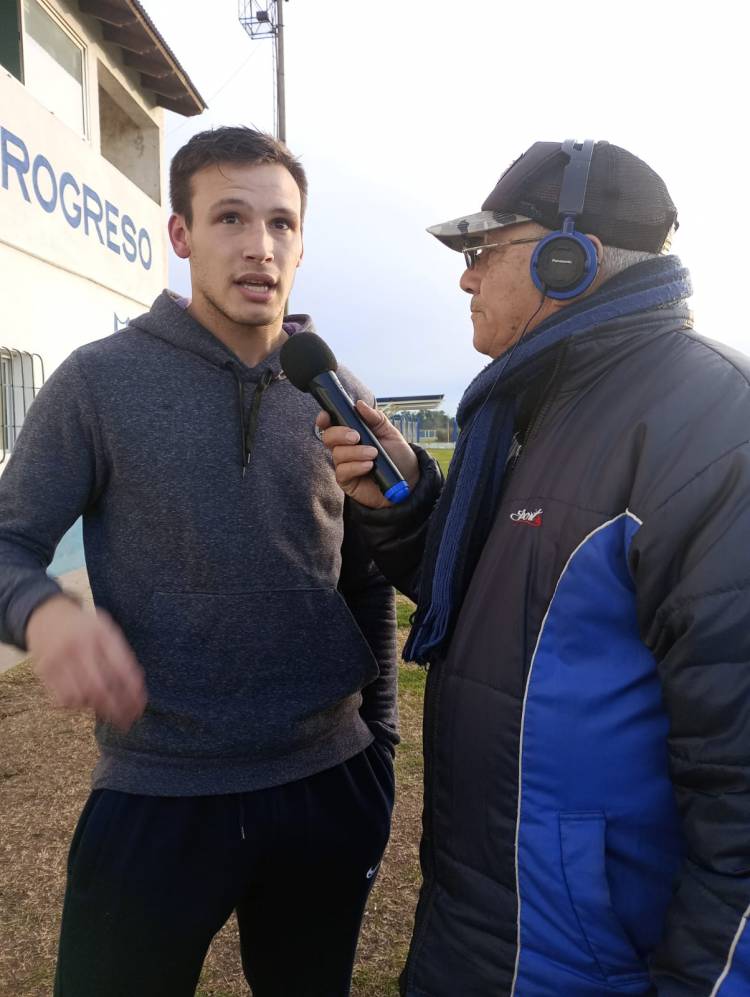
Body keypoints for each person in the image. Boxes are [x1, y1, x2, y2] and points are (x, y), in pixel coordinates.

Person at [319, 139, 750, 995]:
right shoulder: (530, 409)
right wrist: (406, 512)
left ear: (568, 259)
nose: (465, 280)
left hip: (585, 963)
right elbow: (518, 606)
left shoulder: (712, 425)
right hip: (480, 931)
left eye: (483, 252)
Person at [0, 126, 398, 997]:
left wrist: (382, 745)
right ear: (181, 235)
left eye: (282, 224)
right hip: (158, 791)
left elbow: (362, 577)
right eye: (230, 217)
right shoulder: (97, 383)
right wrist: (44, 610)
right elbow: (8, 541)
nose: (260, 246)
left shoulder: (336, 394)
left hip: (328, 783)